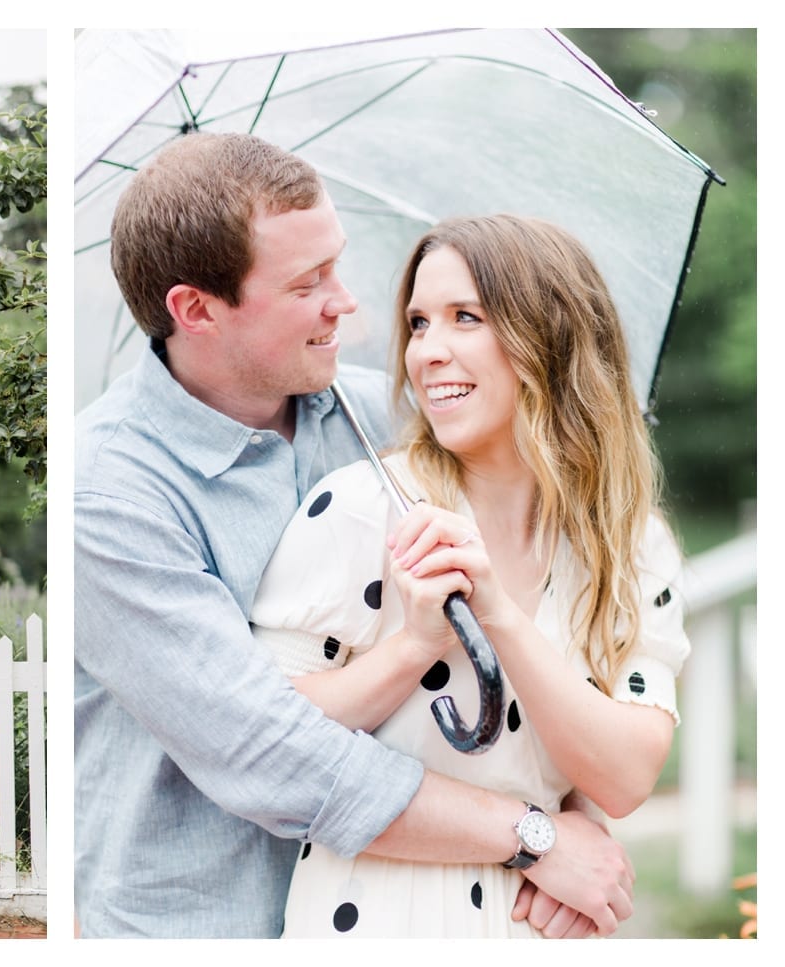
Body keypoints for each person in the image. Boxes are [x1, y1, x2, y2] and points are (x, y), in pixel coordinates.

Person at [74, 132, 635, 938]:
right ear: (195, 310)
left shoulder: (384, 417)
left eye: (336, 263)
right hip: (206, 924)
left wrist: (575, 812)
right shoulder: (110, 492)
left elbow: (522, 618)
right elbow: (271, 755)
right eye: (309, 283)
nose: (350, 304)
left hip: (401, 913)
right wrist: (534, 837)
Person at [250, 213, 689, 937]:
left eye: (465, 318)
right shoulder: (364, 511)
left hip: (539, 920)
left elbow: (626, 774)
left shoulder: (629, 541)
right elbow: (271, 742)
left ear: (547, 335)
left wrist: (500, 618)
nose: (428, 351)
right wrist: (415, 645)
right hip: (376, 918)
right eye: (419, 323)